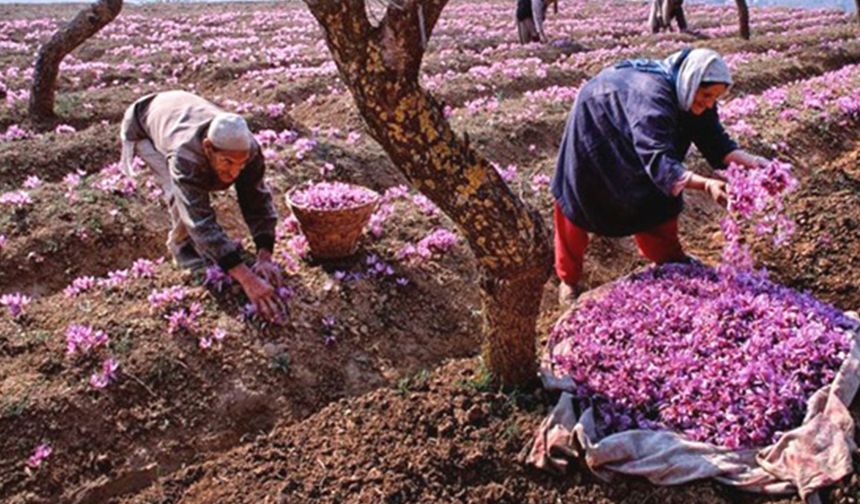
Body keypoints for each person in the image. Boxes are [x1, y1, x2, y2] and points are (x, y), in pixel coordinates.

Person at [550, 48, 770, 304]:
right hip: (597, 126)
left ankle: (669, 258)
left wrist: (753, 163)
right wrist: (707, 184)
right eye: (707, 95)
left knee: (655, 196)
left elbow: (715, 141)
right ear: (692, 81)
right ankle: (568, 280)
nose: (709, 103)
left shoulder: (691, 91)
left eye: (716, 98)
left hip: (637, 129)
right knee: (580, 199)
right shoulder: (653, 98)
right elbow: (658, 160)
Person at [120, 90, 284, 321]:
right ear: (208, 147)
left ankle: (209, 250)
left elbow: (255, 199)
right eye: (227, 162)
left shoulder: (250, 150)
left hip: (180, 111)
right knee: (178, 194)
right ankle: (182, 249)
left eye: (241, 163)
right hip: (143, 124)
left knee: (223, 184)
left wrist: (264, 255)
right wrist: (246, 278)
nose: (235, 172)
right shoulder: (185, 154)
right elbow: (197, 217)